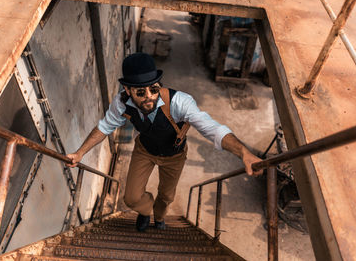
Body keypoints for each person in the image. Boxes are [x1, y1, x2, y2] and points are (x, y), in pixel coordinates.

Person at [67, 52, 262, 231]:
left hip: (173, 156)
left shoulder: (180, 102)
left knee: (167, 196)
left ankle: (159, 217)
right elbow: (104, 127)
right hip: (145, 150)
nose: (149, 97)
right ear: (127, 89)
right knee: (131, 198)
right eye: (140, 93)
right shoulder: (121, 103)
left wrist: (243, 152)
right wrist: (80, 153)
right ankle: (146, 211)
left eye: (154, 89)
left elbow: (212, 128)